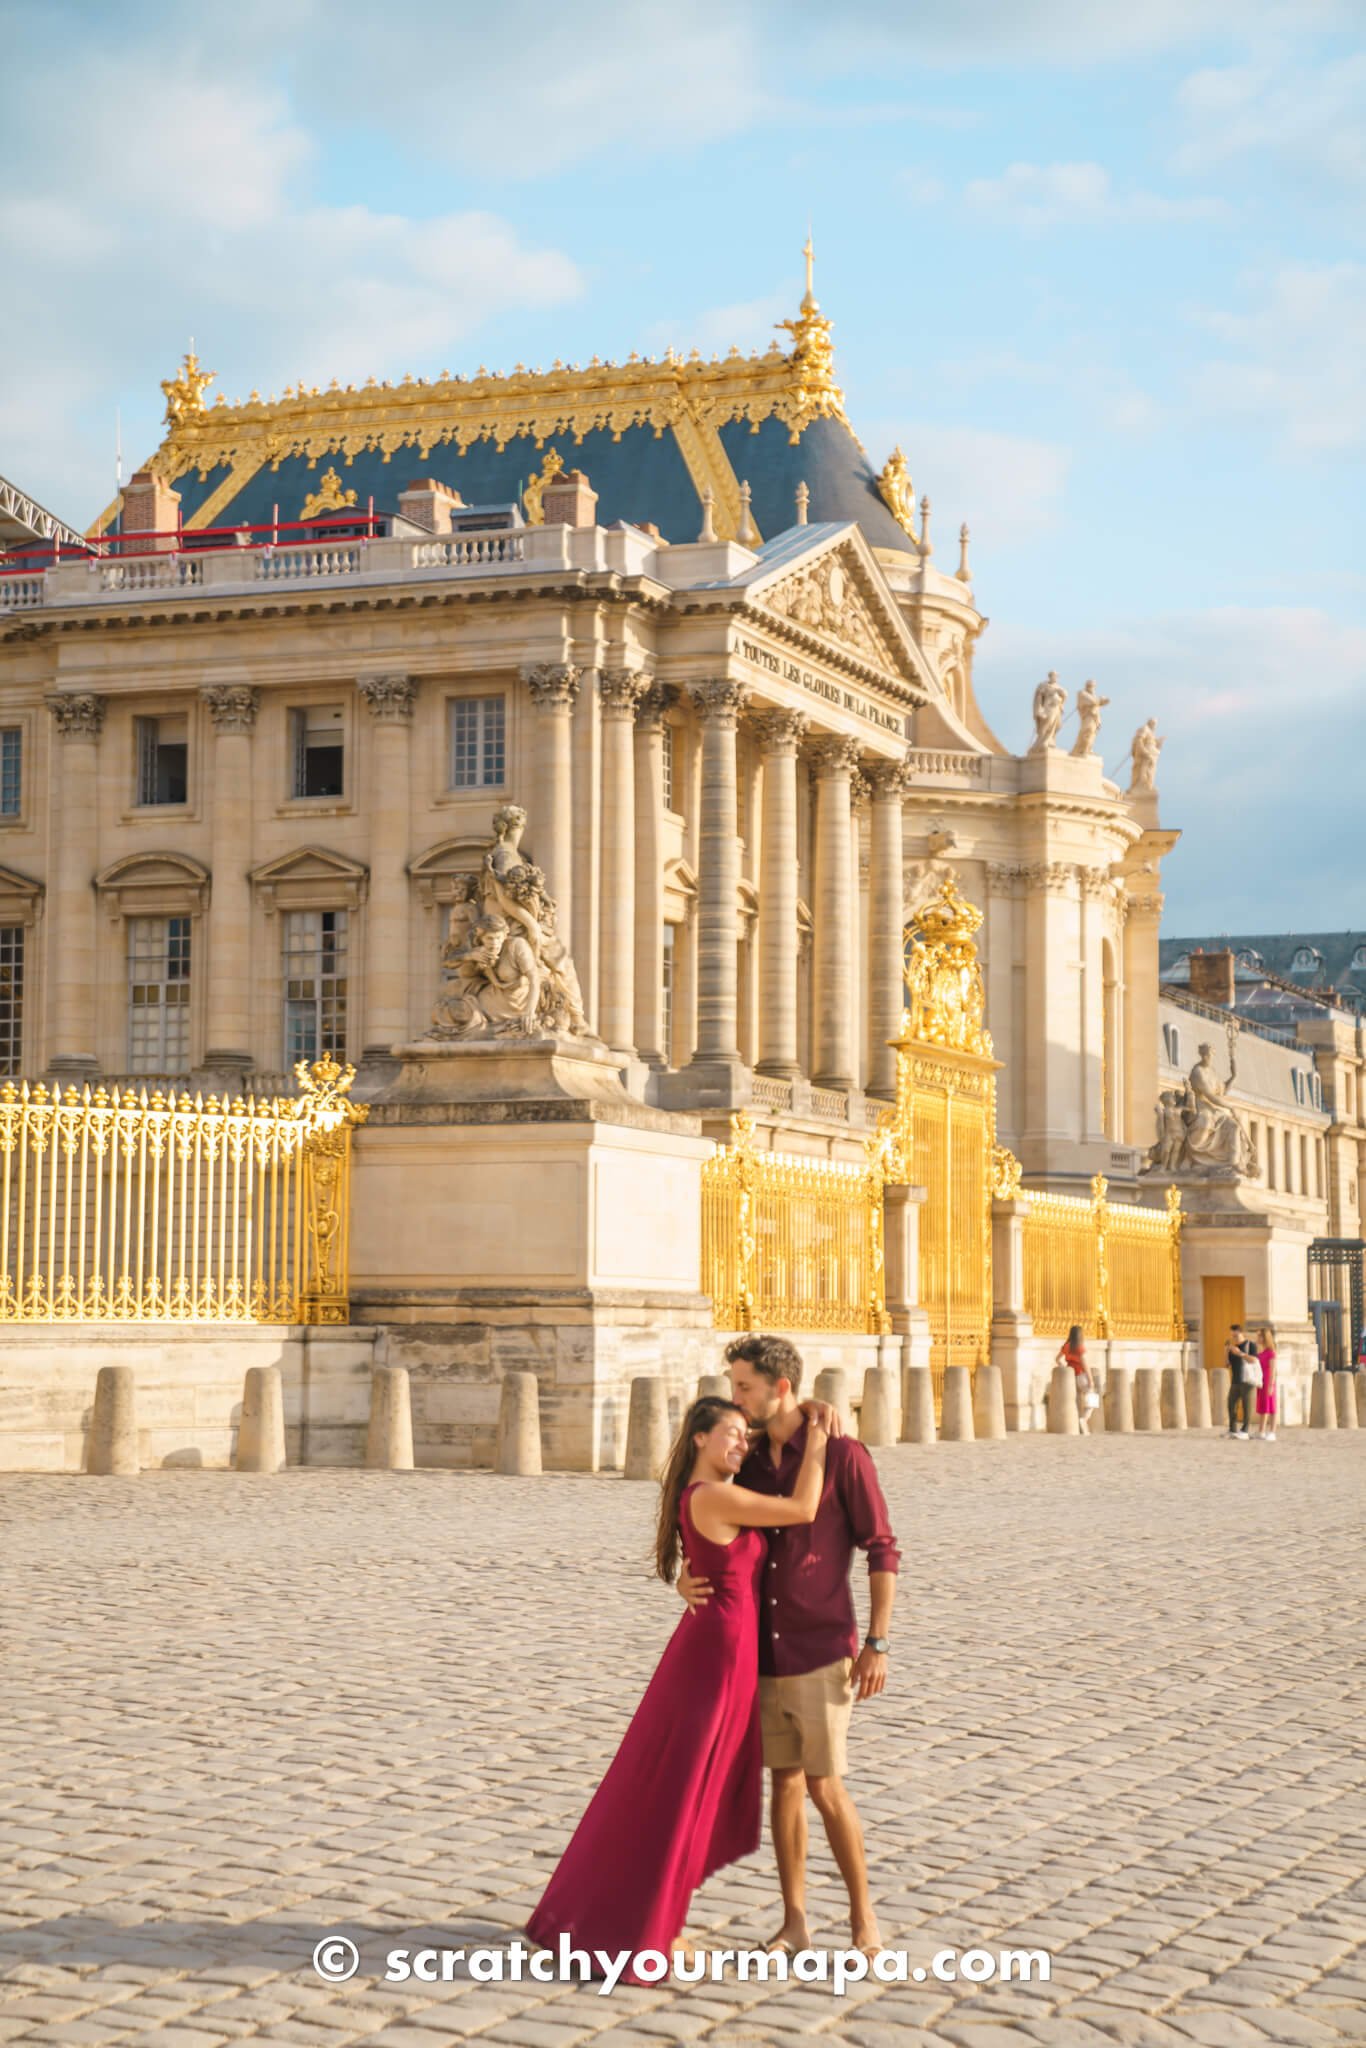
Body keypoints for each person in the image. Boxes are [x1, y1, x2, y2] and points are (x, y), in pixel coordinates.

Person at [524, 1395, 828, 1976]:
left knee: (689, 1793)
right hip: (714, 1661)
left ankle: (661, 1922)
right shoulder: (712, 1495)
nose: (742, 1444)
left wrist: (690, 1577)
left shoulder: (703, 1494)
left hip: (722, 1653)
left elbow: (718, 1559)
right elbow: (803, 1507)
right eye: (733, 1434)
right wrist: (819, 1435)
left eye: (747, 1435)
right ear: (699, 1439)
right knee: (680, 1793)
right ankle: (647, 1933)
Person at [677, 1335, 900, 1961]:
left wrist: (877, 1642)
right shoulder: (745, 1460)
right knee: (785, 1785)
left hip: (822, 1643)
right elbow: (701, 1516)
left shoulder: (844, 1453)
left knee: (827, 1787)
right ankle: (795, 1921)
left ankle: (863, 1920)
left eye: (743, 1385)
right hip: (761, 1652)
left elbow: (882, 1546)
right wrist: (682, 1576)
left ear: (781, 1388)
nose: (734, 1397)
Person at [1057, 1324, 1097, 1431]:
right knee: (1092, 1399)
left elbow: (1057, 1359)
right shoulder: (1080, 1347)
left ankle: (1077, 1423)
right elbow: (1085, 1364)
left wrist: (1066, 1368)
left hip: (1071, 1378)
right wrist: (1091, 1380)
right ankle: (1083, 1418)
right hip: (1081, 1376)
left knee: (1077, 1401)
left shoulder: (1066, 1346)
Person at [1224, 1323, 1260, 1438]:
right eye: (1232, 1336)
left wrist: (1240, 1353)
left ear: (1241, 1333)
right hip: (1235, 1380)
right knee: (1231, 1404)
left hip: (1248, 1380)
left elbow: (1254, 1360)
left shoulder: (1251, 1345)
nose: (1234, 1338)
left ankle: (1245, 1430)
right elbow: (1227, 1365)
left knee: (1247, 1406)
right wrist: (1226, 1352)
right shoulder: (1232, 1348)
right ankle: (1232, 1429)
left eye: (1236, 1335)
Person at [1254, 1325, 1278, 1441]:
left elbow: (1273, 1369)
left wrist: (1271, 1385)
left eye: (1259, 1336)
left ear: (1264, 1338)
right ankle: (1261, 1431)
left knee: (1271, 1407)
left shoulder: (1271, 1352)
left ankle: (1272, 1432)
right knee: (1263, 1406)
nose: (1257, 1338)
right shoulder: (1261, 1352)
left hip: (1269, 1381)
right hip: (1261, 1382)